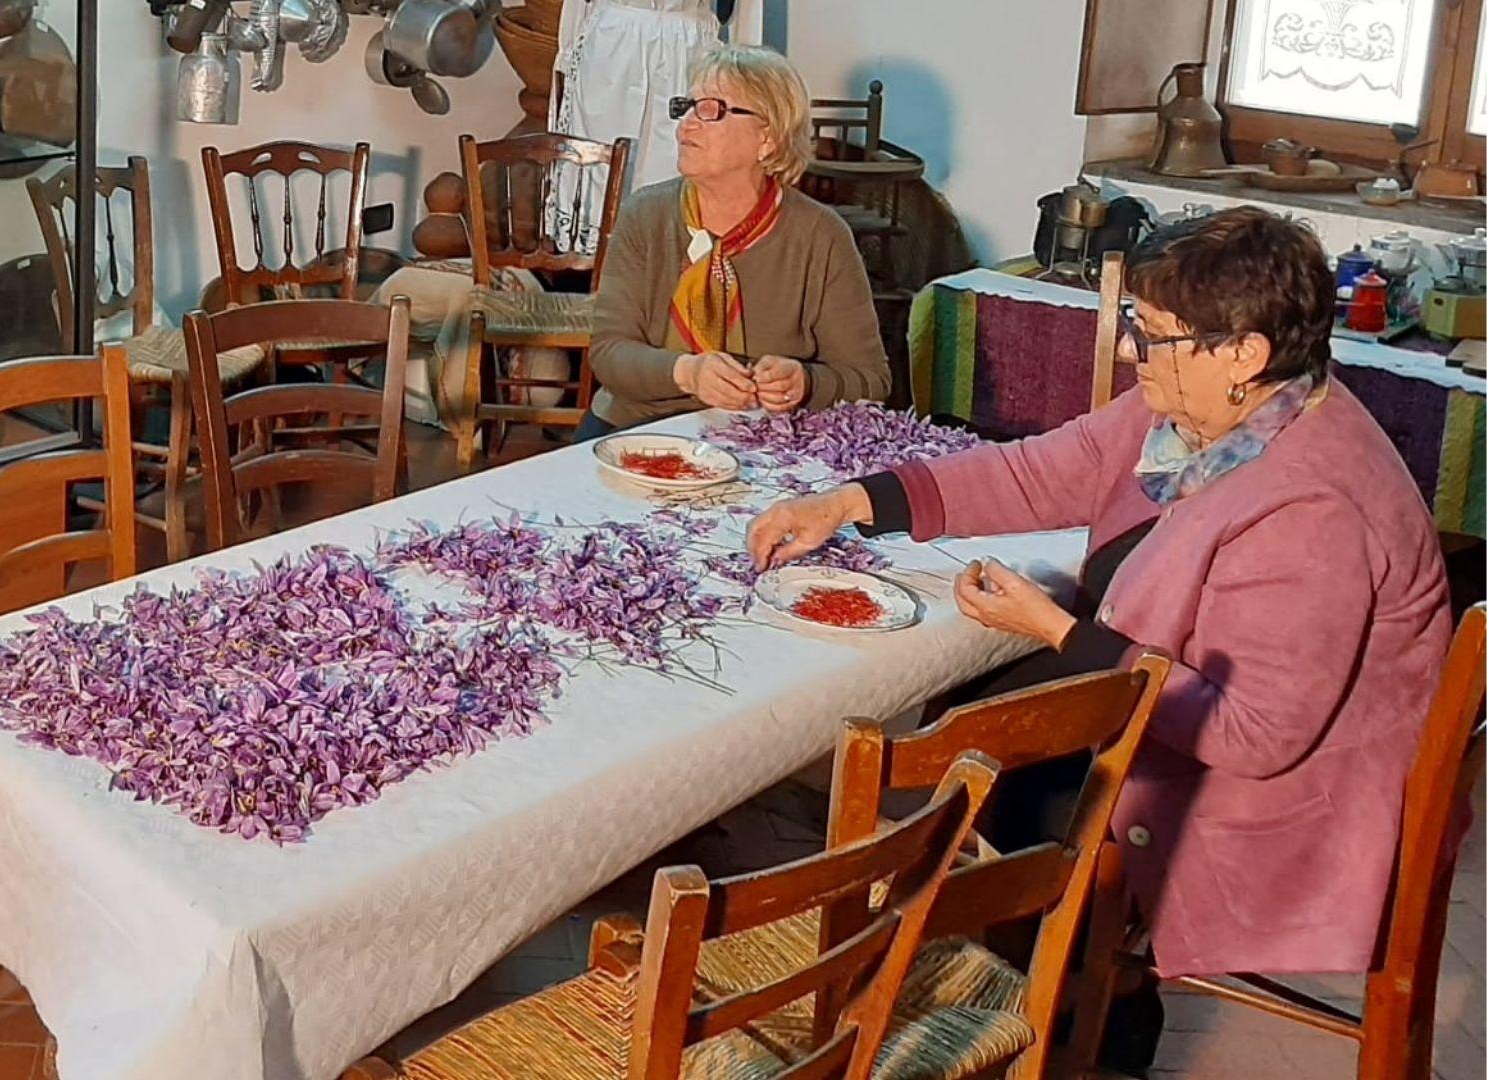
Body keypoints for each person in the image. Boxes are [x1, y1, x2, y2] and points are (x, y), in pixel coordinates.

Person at [747, 207, 1451, 1073]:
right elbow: (1039, 470)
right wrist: (852, 502)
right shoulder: (1212, 416)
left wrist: (1053, 630)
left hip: (1271, 797)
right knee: (975, 720)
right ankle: (1038, 999)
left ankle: (1043, 1017)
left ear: (1244, 353)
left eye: (1150, 336)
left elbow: (1255, 737)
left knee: (991, 768)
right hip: (1165, 713)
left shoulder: (1313, 505)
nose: (1128, 353)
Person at [581, 44, 889, 440]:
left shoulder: (820, 236)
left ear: (768, 139)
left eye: (711, 110)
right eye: (686, 107)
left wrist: (806, 382)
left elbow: (870, 379)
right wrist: (687, 373)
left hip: (761, 438)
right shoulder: (646, 215)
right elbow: (608, 355)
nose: (684, 126)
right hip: (633, 425)